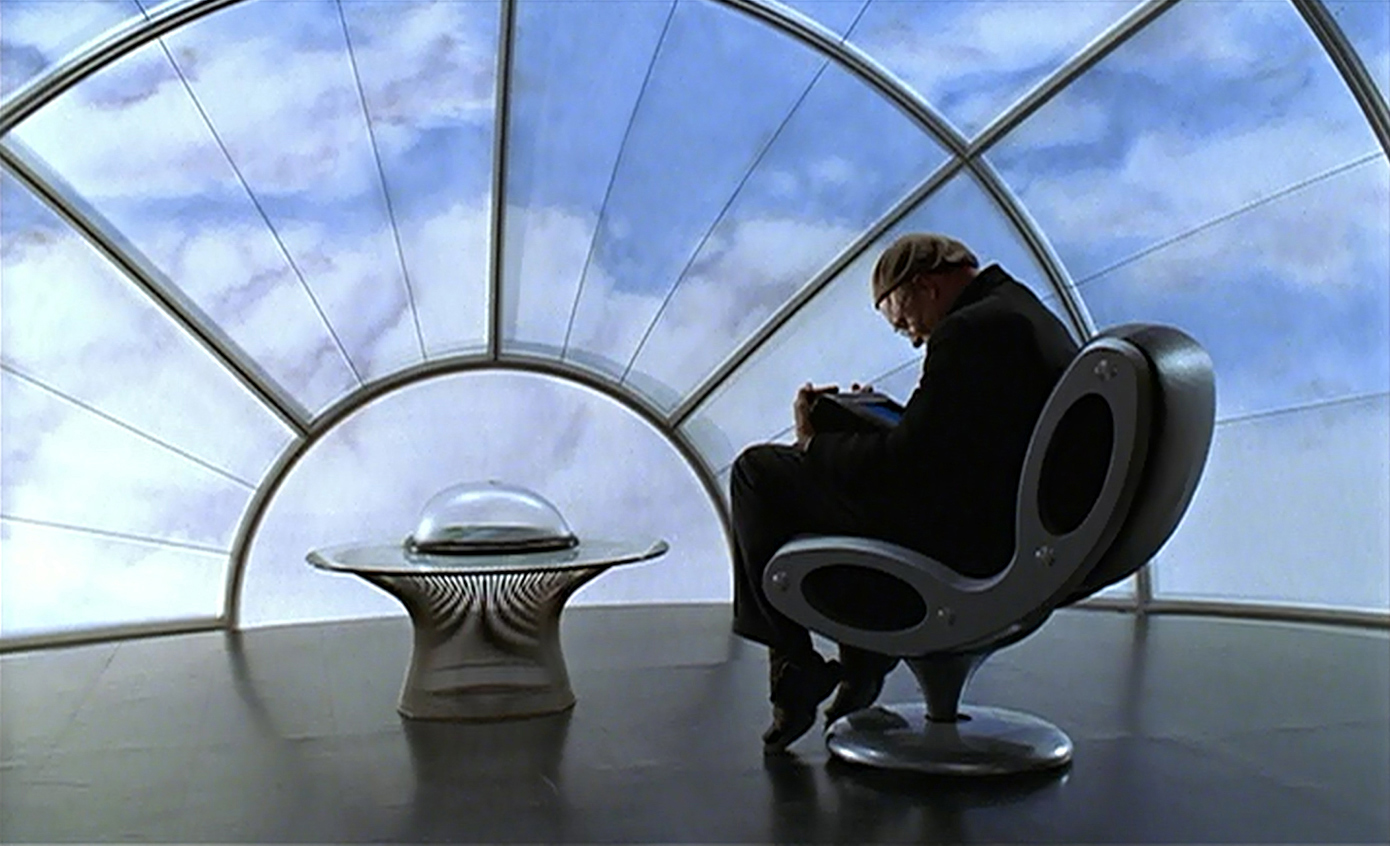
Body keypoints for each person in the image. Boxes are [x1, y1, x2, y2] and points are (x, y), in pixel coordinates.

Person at [729, 233, 1080, 752]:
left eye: (904, 321)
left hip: (969, 544)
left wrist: (814, 442)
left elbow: (907, 466)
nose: (914, 339)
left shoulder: (968, 331)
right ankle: (859, 661)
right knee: (829, 469)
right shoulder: (1019, 311)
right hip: (1010, 520)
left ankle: (796, 665)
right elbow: (952, 442)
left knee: (757, 473)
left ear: (924, 286)